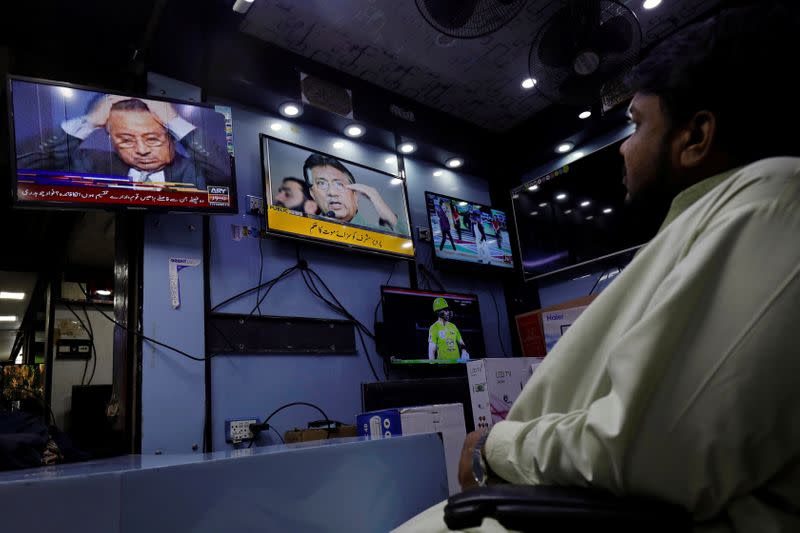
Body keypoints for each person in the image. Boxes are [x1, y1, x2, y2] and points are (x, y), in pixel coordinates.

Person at [394, 4, 800, 532]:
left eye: (635, 125)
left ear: (696, 137)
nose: (624, 150)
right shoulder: (712, 226)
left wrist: (495, 449)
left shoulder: (772, 198)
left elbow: (660, 446)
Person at [18, 95, 229, 190]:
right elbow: (22, 166)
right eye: (126, 140)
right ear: (109, 138)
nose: (142, 150)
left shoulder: (195, 171)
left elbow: (226, 174)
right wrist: (89, 122)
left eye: (153, 138)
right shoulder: (90, 164)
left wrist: (174, 120)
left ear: (171, 135)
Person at [302, 154, 408, 234]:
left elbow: (411, 249)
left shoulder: (380, 234)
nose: (332, 193)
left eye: (339, 184)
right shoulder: (304, 230)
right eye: (322, 183)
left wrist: (386, 212)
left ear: (355, 194)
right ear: (312, 193)